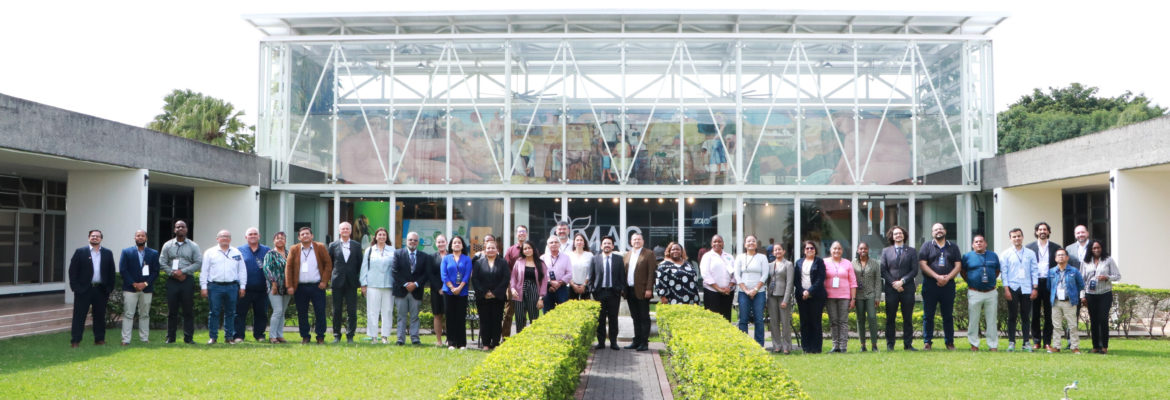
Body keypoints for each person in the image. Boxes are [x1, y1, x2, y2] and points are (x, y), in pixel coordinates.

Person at [69, 229, 116, 348]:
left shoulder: (107, 253)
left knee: (100, 316)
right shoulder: (80, 252)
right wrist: (76, 288)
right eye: (92, 236)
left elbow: (111, 272)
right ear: (89, 238)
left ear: (101, 239)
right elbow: (72, 271)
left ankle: (99, 339)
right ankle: (75, 340)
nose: (95, 237)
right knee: (79, 316)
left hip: (100, 289)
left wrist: (109, 288)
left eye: (97, 236)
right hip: (83, 290)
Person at [285, 226, 332, 345]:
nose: (305, 236)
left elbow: (328, 264)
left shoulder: (320, 247)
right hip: (300, 287)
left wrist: (324, 281)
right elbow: (288, 267)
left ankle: (320, 336)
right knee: (302, 313)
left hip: (317, 286)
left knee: (320, 312)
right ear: (299, 237)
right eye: (302, 234)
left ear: (312, 236)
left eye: (307, 234)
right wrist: (289, 285)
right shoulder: (294, 249)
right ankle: (305, 336)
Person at [918, 222, 961, 351]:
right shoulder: (926, 246)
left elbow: (958, 266)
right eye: (936, 230)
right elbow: (923, 264)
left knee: (948, 315)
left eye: (940, 229)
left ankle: (949, 342)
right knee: (928, 315)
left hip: (948, 285)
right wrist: (937, 277)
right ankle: (927, 342)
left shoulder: (953, 247)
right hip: (930, 285)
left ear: (945, 231)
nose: (938, 231)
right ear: (932, 233)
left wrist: (947, 278)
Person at [200, 230, 247, 345]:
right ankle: (213, 337)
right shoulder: (210, 252)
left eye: (227, 236)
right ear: (217, 239)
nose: (225, 238)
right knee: (214, 312)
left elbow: (242, 270)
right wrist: (203, 286)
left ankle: (229, 337)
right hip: (215, 286)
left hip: (232, 286)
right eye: (222, 236)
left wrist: (242, 286)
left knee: (231, 313)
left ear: (230, 239)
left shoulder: (236, 252)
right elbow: (204, 271)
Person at [159, 220, 202, 344]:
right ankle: (170, 337)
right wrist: (173, 273)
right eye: (178, 227)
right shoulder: (167, 245)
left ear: (186, 229)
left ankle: (188, 338)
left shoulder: (193, 246)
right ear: (174, 230)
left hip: (187, 280)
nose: (180, 229)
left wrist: (183, 272)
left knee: (188, 311)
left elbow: (198, 262)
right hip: (172, 280)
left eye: (183, 227)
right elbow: (162, 262)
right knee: (172, 311)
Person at [1000, 228, 1039, 352]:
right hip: (1012, 287)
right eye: (1014, 236)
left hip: (1026, 288)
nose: (1017, 238)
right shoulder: (1005, 254)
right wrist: (1006, 289)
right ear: (1010, 239)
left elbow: (1034, 271)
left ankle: (1026, 342)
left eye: (1019, 236)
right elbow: (1004, 273)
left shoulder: (1030, 253)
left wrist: (1035, 288)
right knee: (1012, 316)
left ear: (1022, 237)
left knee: (1026, 316)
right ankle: (1011, 342)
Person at [119, 230, 159, 346]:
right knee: (128, 314)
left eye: (142, 236)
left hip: (146, 289)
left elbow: (155, 271)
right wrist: (134, 284)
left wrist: (145, 284)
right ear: (134, 238)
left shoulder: (153, 253)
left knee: (145, 314)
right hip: (130, 289)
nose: (140, 237)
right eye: (138, 236)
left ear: (146, 238)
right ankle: (125, 340)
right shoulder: (126, 252)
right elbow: (123, 270)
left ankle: (144, 338)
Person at [880, 226, 918, 351]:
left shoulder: (911, 251)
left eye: (900, 233)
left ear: (904, 235)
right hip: (891, 290)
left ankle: (908, 344)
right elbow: (883, 270)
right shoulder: (886, 251)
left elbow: (914, 270)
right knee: (890, 318)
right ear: (892, 236)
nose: (898, 235)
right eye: (895, 234)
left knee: (907, 318)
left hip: (907, 289)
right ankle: (890, 344)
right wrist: (894, 284)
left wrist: (902, 281)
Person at [1026, 222, 1061, 351]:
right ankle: (1036, 341)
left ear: (1049, 232)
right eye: (1040, 229)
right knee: (1034, 313)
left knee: (1049, 314)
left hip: (1049, 283)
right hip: (1034, 283)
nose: (1042, 231)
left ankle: (1047, 341)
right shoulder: (1029, 248)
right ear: (1036, 232)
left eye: (1045, 229)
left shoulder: (1056, 248)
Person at [1081, 239, 1120, 354]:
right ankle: (1095, 346)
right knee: (1093, 320)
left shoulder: (1108, 260)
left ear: (1102, 248)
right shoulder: (1086, 261)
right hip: (1090, 294)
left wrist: (1107, 277)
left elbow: (1118, 276)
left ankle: (1104, 347)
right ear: (1090, 249)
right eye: (1094, 248)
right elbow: (1082, 280)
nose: (1096, 250)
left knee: (1103, 319)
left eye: (1098, 248)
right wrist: (1082, 296)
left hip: (1105, 294)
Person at [962, 234, 1000, 351]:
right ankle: (974, 344)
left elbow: (997, 271)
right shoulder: (967, 256)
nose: (979, 243)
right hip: (974, 292)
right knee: (973, 320)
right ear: (973, 245)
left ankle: (992, 345)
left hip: (991, 292)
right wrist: (972, 281)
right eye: (976, 242)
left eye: (981, 241)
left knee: (991, 320)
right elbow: (963, 271)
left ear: (985, 244)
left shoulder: (993, 255)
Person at [588, 236, 625, 350]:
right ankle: (601, 342)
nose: (607, 245)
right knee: (601, 319)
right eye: (605, 243)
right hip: (600, 293)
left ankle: (613, 342)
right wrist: (592, 290)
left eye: (609, 243)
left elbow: (622, 276)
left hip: (614, 293)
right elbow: (591, 276)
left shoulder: (619, 259)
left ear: (613, 246)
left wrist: (620, 289)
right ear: (601, 246)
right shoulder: (595, 259)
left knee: (613, 318)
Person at [234, 227, 271, 343]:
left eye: (255, 234)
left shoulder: (267, 250)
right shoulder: (239, 250)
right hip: (244, 289)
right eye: (250, 234)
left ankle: (259, 335)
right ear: (246, 237)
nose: (253, 236)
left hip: (262, 289)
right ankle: (238, 336)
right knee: (240, 313)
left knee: (261, 313)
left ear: (259, 236)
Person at [392, 232, 429, 345]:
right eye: (410, 240)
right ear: (406, 241)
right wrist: (405, 284)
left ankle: (415, 338)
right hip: (401, 290)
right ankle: (400, 339)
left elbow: (426, 274)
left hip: (416, 291)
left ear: (418, 242)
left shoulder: (424, 256)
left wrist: (416, 284)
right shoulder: (398, 253)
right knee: (401, 316)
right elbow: (394, 271)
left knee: (415, 316)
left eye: (415, 240)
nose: (412, 242)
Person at [472, 240, 510, 350]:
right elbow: (475, 279)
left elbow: (505, 278)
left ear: (497, 250)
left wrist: (494, 293)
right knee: (484, 320)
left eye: (493, 248)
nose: (491, 250)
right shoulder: (478, 263)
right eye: (488, 248)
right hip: (483, 298)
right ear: (485, 250)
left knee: (496, 320)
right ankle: (486, 344)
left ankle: (495, 343)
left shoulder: (503, 263)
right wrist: (484, 293)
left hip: (497, 298)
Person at [329, 222, 363, 343]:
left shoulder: (356, 245)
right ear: (339, 231)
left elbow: (360, 263)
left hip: (351, 282)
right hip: (337, 282)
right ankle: (336, 335)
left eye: (347, 229)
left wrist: (354, 275)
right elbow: (330, 263)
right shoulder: (333, 245)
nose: (345, 230)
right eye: (343, 229)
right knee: (336, 310)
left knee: (352, 311)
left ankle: (350, 336)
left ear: (350, 231)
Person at [360, 228, 395, 344]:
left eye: (384, 235)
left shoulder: (392, 250)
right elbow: (364, 268)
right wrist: (363, 284)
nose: (382, 237)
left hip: (388, 285)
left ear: (387, 237)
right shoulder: (369, 250)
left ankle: (385, 336)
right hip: (372, 285)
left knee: (388, 311)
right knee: (372, 311)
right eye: (379, 235)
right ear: (375, 237)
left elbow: (395, 268)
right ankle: (373, 336)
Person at [734, 235, 770, 347]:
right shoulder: (740, 257)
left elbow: (765, 275)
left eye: (753, 241)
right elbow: (737, 275)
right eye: (748, 241)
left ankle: (759, 345)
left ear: (756, 244)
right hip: (743, 293)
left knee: (758, 319)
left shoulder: (762, 257)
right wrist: (746, 290)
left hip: (759, 293)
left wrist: (755, 289)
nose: (751, 243)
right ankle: (744, 345)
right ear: (745, 244)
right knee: (743, 319)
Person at [624, 232, 657, 351]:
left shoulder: (649, 254)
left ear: (643, 241)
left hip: (643, 291)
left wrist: (649, 289)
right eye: (634, 239)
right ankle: (636, 341)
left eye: (639, 239)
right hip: (630, 290)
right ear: (630, 242)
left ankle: (644, 342)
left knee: (644, 317)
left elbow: (651, 273)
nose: (636, 241)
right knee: (635, 317)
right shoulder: (627, 255)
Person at [1048, 249, 1085, 354]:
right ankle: (1056, 346)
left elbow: (1081, 285)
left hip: (1069, 302)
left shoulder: (1074, 271)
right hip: (1056, 302)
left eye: (1063, 255)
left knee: (1072, 325)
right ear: (1055, 258)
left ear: (1067, 257)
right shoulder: (1051, 271)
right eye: (1058, 255)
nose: (1061, 257)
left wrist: (1074, 295)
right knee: (1056, 326)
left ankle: (1074, 347)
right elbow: (1049, 286)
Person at [823, 241, 857, 353]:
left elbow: (853, 282)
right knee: (833, 321)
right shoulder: (824, 262)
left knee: (843, 322)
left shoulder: (847, 263)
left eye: (839, 248)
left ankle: (843, 346)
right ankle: (835, 345)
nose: (836, 251)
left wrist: (853, 298)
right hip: (830, 296)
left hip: (844, 296)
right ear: (830, 250)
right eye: (834, 248)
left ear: (842, 251)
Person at [795, 240, 827, 354]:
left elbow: (820, 279)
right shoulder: (798, 262)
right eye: (807, 248)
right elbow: (796, 280)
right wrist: (802, 292)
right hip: (802, 296)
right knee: (804, 322)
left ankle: (816, 347)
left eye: (812, 248)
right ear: (804, 250)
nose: (809, 250)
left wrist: (809, 291)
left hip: (816, 296)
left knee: (815, 322)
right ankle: (806, 347)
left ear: (815, 250)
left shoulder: (819, 262)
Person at [441, 235, 473, 349]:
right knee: (450, 317)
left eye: (459, 242)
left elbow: (467, 275)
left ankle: (461, 343)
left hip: (462, 292)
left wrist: (459, 288)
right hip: (448, 292)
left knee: (460, 317)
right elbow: (444, 275)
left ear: (462, 245)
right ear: (451, 245)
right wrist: (451, 287)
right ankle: (451, 342)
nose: (457, 244)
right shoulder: (446, 258)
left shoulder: (467, 259)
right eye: (454, 242)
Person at [510, 240, 548, 333]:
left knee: (534, 318)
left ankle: (534, 338)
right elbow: (513, 277)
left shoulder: (541, 263)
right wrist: (513, 289)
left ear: (533, 249)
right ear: (522, 251)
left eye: (529, 248)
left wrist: (541, 298)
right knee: (519, 317)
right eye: (525, 249)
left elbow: (544, 281)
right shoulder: (519, 262)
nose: (527, 250)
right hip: (519, 292)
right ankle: (520, 338)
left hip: (534, 291)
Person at [766, 244, 796, 354]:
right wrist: (767, 296)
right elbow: (768, 282)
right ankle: (776, 345)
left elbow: (790, 283)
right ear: (773, 252)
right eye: (775, 250)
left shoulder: (788, 264)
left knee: (785, 322)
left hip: (783, 296)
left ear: (783, 251)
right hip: (772, 296)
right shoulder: (770, 265)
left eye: (779, 249)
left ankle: (787, 346)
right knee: (774, 322)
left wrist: (786, 299)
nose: (777, 251)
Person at [262, 231, 290, 343]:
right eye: (277, 238)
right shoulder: (270, 254)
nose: (280, 240)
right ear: (274, 241)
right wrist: (273, 283)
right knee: (278, 310)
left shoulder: (289, 253)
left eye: (282, 238)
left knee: (282, 312)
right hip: (274, 286)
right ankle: (272, 336)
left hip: (287, 286)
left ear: (285, 241)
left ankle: (279, 335)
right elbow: (266, 269)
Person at [699, 234, 735, 321]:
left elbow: (735, 274)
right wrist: (719, 289)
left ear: (723, 243)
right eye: (714, 241)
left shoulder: (729, 256)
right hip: (712, 292)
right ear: (711, 244)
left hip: (728, 292)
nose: (717, 243)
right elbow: (706, 274)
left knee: (726, 318)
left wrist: (729, 287)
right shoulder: (707, 256)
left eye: (719, 241)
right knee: (712, 319)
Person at [501, 225, 529, 339]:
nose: (521, 233)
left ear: (526, 234)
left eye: (523, 231)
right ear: (516, 234)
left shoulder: (531, 249)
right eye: (519, 231)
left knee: (522, 314)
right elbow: (505, 267)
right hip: (512, 286)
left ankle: (521, 339)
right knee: (508, 313)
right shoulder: (511, 250)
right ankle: (505, 339)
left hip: (526, 285)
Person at [852, 242, 880, 352]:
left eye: (865, 248)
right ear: (857, 250)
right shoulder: (853, 263)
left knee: (872, 318)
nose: (863, 250)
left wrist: (877, 297)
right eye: (861, 248)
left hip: (871, 294)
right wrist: (852, 297)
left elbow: (878, 281)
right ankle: (862, 345)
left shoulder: (875, 263)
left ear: (868, 250)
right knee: (860, 319)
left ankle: (874, 345)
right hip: (858, 295)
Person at [428, 234, 449, 347]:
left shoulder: (451, 256)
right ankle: (439, 340)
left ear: (446, 242)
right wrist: (439, 288)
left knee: (449, 315)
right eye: (438, 242)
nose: (441, 244)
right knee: (437, 315)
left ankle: (449, 339)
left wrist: (447, 287)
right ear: (436, 244)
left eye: (442, 241)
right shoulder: (431, 257)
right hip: (436, 291)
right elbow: (430, 274)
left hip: (450, 290)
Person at [542, 236, 572, 314]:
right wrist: (550, 282)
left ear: (559, 244)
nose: (554, 244)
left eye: (556, 242)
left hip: (562, 288)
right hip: (547, 289)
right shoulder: (542, 258)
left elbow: (569, 273)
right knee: (547, 314)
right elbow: (540, 274)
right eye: (551, 242)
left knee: (563, 313)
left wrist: (559, 283)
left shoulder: (566, 258)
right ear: (548, 245)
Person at [568, 233, 594, 301]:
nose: (579, 242)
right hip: (571, 286)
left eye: (581, 240)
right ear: (574, 243)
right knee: (572, 306)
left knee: (586, 306)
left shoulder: (589, 255)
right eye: (577, 240)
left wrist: (584, 285)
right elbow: (566, 272)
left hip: (585, 286)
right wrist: (573, 285)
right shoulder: (569, 255)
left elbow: (591, 272)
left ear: (584, 243)